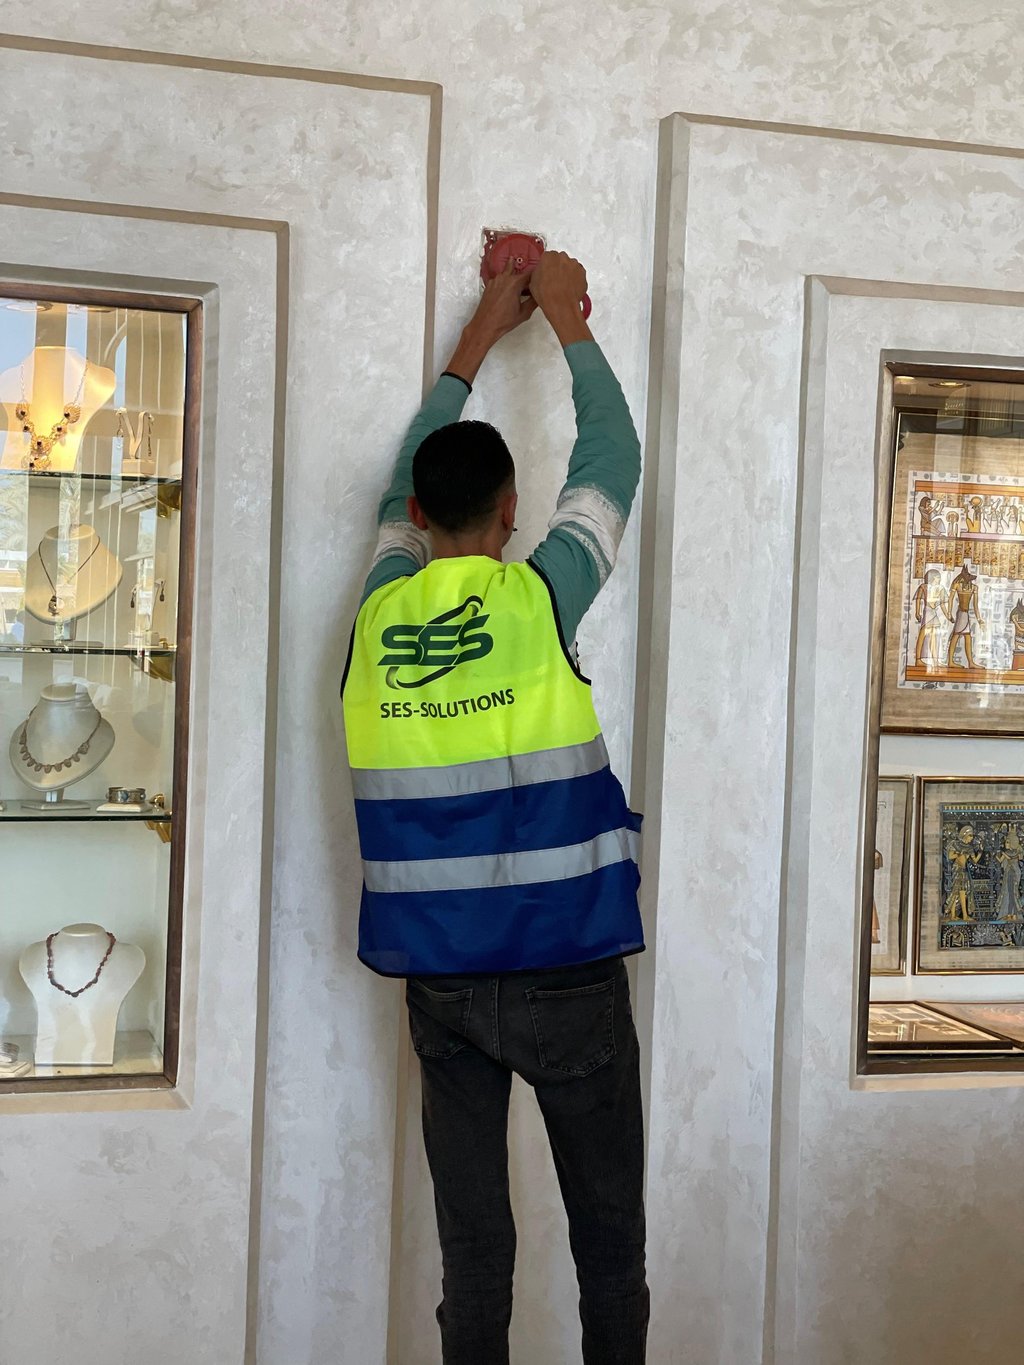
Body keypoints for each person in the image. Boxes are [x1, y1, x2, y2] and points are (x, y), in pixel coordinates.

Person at [341, 251, 649, 1364]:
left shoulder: (380, 610)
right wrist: (562, 315)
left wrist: (479, 330)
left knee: (475, 1259)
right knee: (608, 1249)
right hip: (566, 966)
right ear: (513, 512)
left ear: (418, 516)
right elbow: (613, 459)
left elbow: (398, 480)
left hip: (443, 980)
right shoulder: (540, 596)